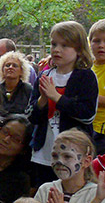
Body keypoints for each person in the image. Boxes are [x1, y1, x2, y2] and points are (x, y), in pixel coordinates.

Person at [29, 21, 99, 189]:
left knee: (71, 193)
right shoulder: (44, 75)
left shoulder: (85, 77)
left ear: (79, 50)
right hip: (44, 152)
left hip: (73, 154)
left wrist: (57, 97)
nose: (57, 49)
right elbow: (32, 116)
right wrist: (43, 100)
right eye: (54, 44)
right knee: (45, 192)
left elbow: (87, 114)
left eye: (65, 45)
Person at [0, 51, 34, 117]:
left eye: (15, 65)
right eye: (7, 65)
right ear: (2, 70)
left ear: (21, 71)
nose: (10, 67)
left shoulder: (28, 90)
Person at [89, 19, 105, 156]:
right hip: (89, 129)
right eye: (97, 41)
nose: (101, 46)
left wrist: (90, 96)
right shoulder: (88, 69)